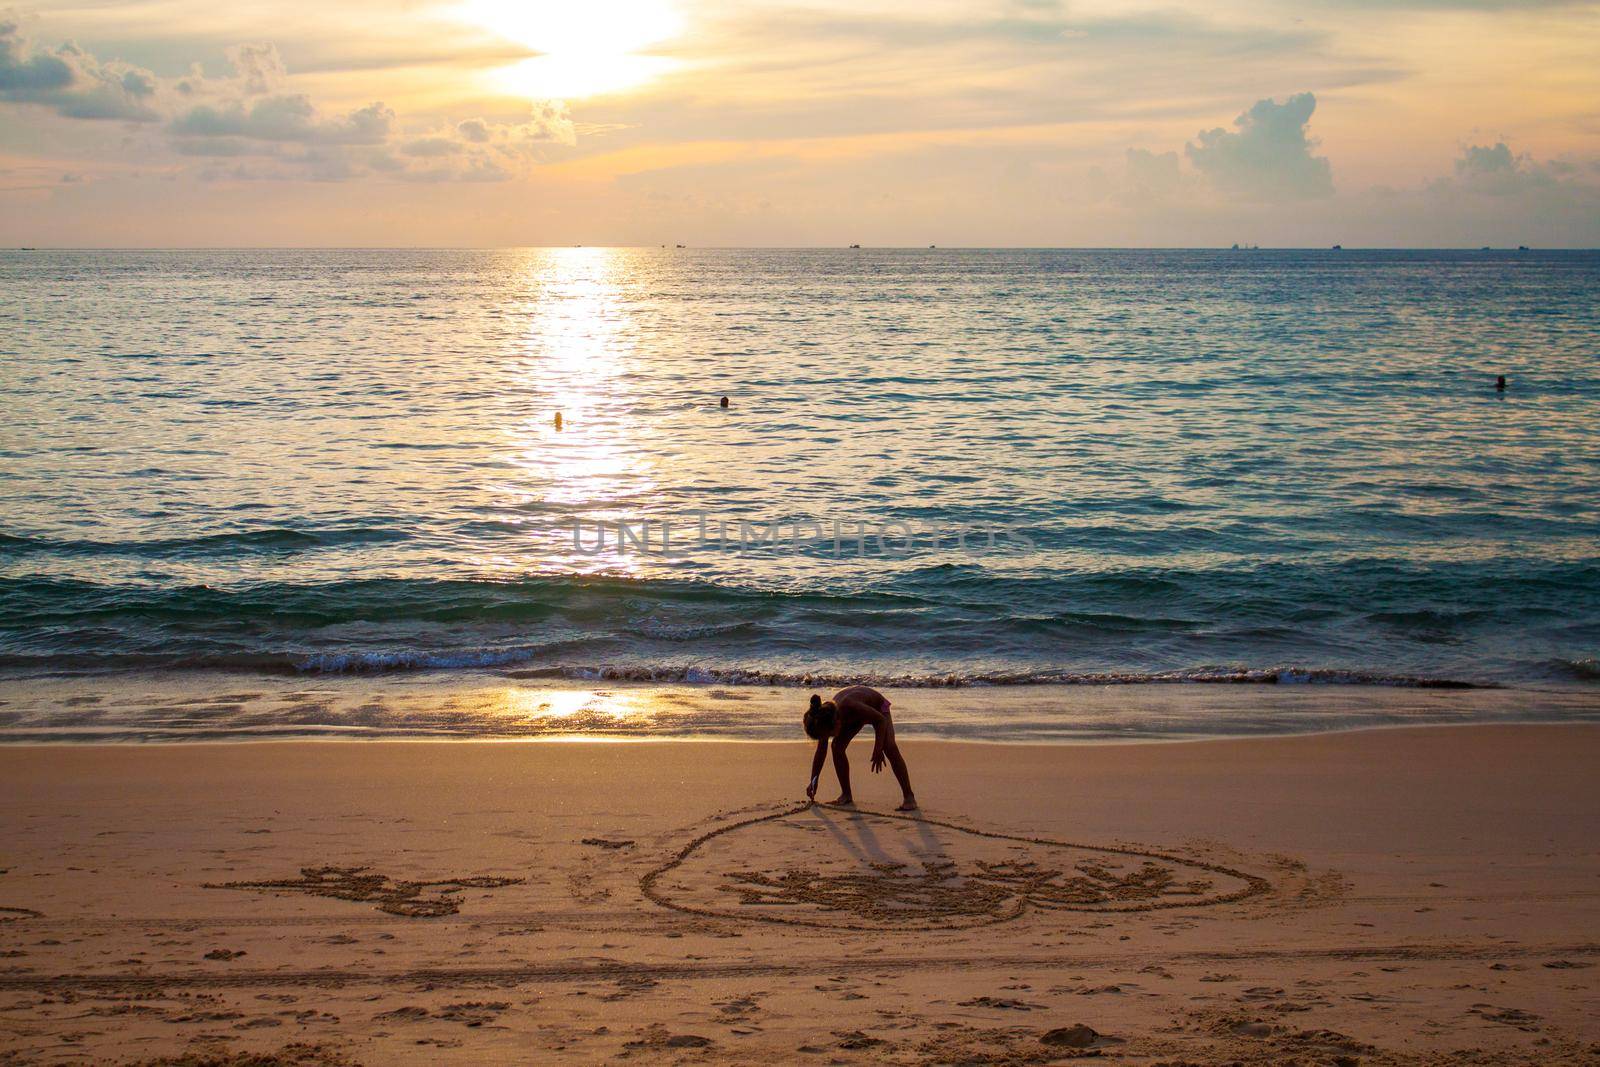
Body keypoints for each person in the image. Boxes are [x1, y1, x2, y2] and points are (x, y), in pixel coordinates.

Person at [803, 686, 916, 810]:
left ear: (836, 723)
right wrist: (814, 780)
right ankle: (846, 794)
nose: (828, 737)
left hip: (879, 708)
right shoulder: (822, 717)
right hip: (855, 717)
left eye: (829, 734)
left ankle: (909, 796)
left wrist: (877, 749)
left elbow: (880, 721)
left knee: (889, 747)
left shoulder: (850, 706)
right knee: (836, 747)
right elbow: (821, 751)